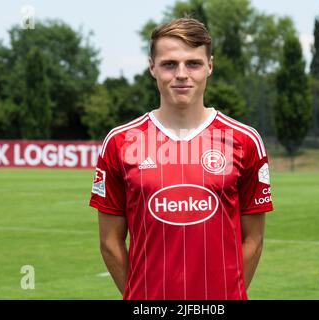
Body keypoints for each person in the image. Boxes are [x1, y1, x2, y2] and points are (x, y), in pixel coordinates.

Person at [89, 18, 273, 300]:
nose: (182, 74)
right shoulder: (120, 142)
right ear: (152, 67)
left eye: (193, 63)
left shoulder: (246, 141)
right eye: (169, 64)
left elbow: (253, 240)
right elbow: (110, 242)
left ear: (209, 65)